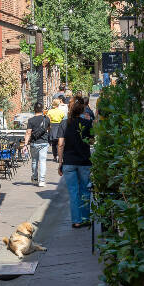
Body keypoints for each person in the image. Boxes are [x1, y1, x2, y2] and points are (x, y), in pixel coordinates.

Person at [58, 95, 93, 228]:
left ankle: (76, 221)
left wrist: (60, 162)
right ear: (82, 109)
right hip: (84, 161)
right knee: (85, 190)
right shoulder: (87, 123)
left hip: (69, 162)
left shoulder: (64, 123)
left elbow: (60, 144)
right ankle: (85, 218)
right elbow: (91, 141)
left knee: (73, 192)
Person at [22, 101, 50, 186]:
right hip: (44, 143)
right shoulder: (47, 119)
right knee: (43, 161)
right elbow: (49, 129)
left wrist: (25, 144)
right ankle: (42, 180)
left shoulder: (31, 120)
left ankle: (34, 178)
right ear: (42, 109)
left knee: (34, 161)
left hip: (34, 143)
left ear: (34, 109)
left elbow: (28, 133)